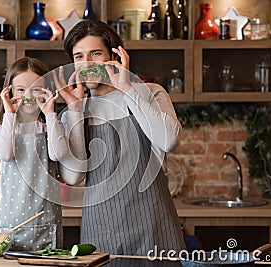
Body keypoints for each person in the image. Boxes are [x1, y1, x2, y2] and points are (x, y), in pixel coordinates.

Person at [56, 20, 186, 255]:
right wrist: (74, 110)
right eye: (78, 56)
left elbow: (168, 141)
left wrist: (127, 87)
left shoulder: (151, 93)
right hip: (100, 230)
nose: (86, 64)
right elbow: (72, 176)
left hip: (154, 225)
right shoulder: (76, 110)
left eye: (95, 53)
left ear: (114, 56)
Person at [0, 57, 66, 251]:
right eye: (21, 90)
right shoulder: (2, 126)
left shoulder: (50, 125)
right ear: (9, 91)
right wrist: (9, 113)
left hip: (47, 219)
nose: (28, 96)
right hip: (11, 222)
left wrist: (50, 114)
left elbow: (57, 155)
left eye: (36, 89)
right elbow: (6, 155)